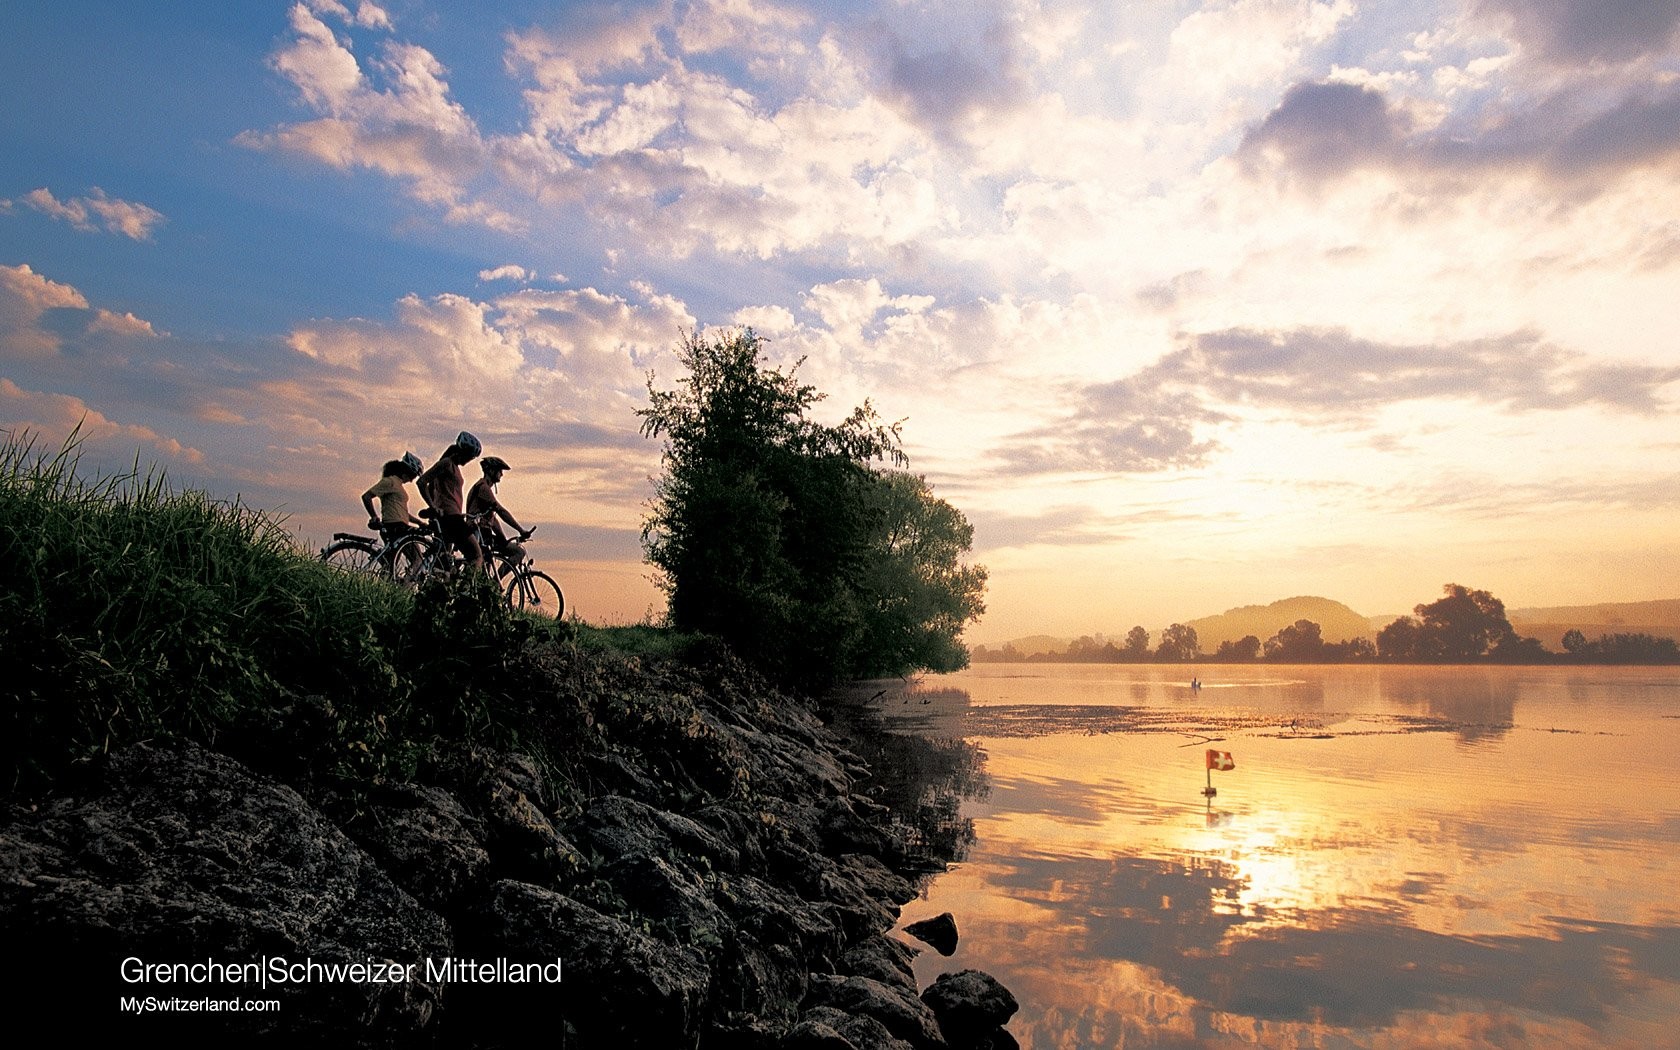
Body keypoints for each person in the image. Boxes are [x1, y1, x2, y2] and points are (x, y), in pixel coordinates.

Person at [417, 431, 483, 570]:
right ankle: (465, 590)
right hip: (451, 518)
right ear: (464, 452)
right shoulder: (447, 463)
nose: (469, 460)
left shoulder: (453, 467)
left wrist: (435, 504)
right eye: (470, 457)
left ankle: (439, 589)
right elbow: (422, 482)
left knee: (443, 562)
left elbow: (430, 488)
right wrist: (433, 506)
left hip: (450, 517)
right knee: (476, 556)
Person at [360, 451, 425, 573]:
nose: (412, 480)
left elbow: (402, 512)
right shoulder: (390, 482)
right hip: (396, 527)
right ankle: (405, 588)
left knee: (390, 564)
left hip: (399, 525)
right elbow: (366, 497)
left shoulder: (398, 485)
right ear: (407, 471)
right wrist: (374, 516)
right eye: (413, 476)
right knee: (418, 559)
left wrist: (419, 522)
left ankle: (387, 587)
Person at [467, 455, 533, 569]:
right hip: (480, 534)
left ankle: (493, 584)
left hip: (483, 533)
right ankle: (495, 583)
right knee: (519, 552)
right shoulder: (483, 488)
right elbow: (501, 511)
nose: (501, 474)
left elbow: (492, 519)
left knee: (484, 569)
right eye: (499, 471)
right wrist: (520, 530)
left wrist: (502, 539)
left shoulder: (481, 486)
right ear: (491, 471)